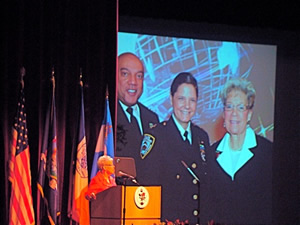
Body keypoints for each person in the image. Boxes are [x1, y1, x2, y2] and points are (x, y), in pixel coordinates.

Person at [149, 72, 212, 224]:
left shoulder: (202, 137)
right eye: (181, 99)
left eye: (192, 100)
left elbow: (207, 186)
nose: (187, 106)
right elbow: (149, 188)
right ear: (171, 99)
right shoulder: (157, 136)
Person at [210, 78, 272, 225]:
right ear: (224, 113)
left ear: (249, 114)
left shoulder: (268, 153)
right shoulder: (210, 155)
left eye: (241, 108)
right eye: (229, 107)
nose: (234, 114)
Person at [116, 52, 159, 185]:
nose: (133, 82)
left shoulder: (152, 118)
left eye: (139, 76)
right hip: (116, 197)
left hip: (148, 197)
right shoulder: (106, 116)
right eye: (125, 74)